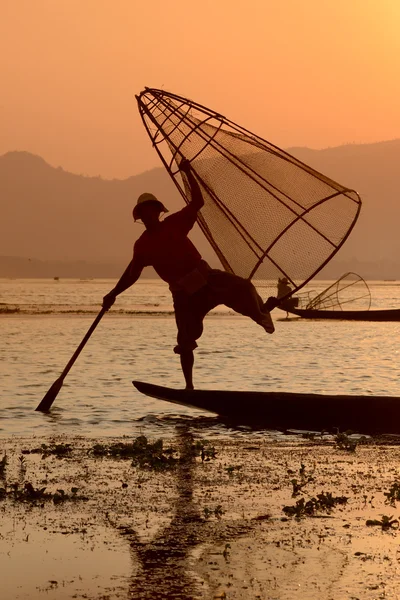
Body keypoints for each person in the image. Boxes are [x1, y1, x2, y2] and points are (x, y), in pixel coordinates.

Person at [102, 159, 274, 389]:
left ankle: (262, 311)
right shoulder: (142, 245)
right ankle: (189, 387)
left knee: (243, 287)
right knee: (185, 340)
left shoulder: (174, 223)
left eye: (152, 211)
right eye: (144, 213)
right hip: (184, 295)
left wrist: (188, 172)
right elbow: (132, 274)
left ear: (157, 212)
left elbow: (198, 202)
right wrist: (113, 293)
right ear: (141, 217)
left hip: (206, 278)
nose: (149, 216)